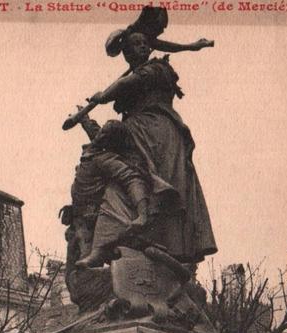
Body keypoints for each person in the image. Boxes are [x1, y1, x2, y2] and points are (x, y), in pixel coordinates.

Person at [88, 30, 218, 264]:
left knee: (159, 182)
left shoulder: (157, 69)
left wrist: (104, 95)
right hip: (136, 131)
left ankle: (161, 239)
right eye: (134, 45)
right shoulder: (138, 73)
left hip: (157, 133)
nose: (142, 47)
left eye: (144, 43)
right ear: (126, 54)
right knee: (115, 178)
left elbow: (131, 81)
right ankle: (107, 240)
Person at [64, 118, 155, 269]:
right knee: (72, 269)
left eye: (104, 134)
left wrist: (142, 214)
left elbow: (132, 179)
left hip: (90, 222)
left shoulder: (104, 159)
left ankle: (96, 254)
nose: (100, 134)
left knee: (84, 269)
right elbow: (95, 132)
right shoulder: (92, 152)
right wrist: (85, 120)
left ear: (108, 142)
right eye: (102, 131)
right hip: (77, 218)